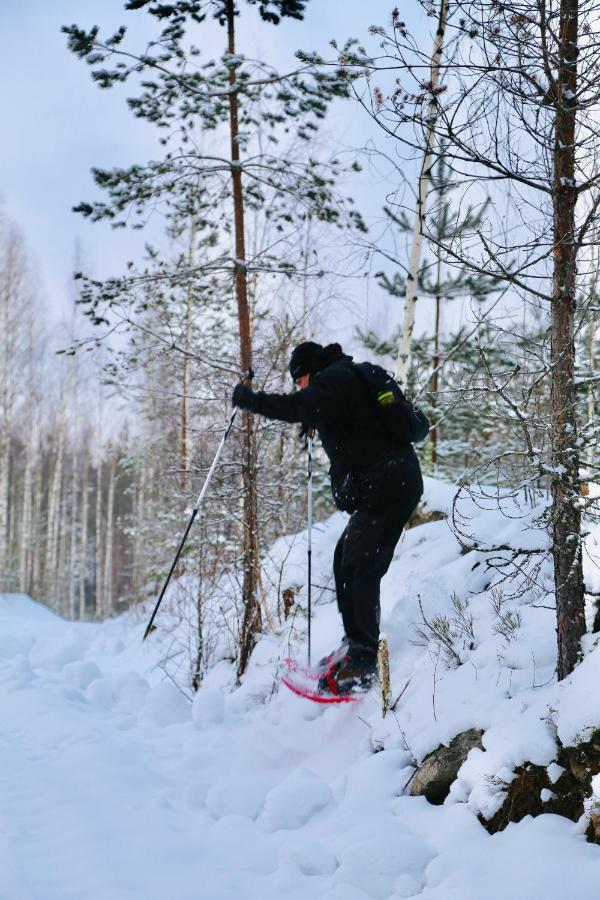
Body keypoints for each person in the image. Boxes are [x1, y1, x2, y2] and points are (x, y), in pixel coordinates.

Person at [232, 341, 425, 695]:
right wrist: (314, 415)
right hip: (386, 484)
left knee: (361, 565)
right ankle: (355, 644)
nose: (300, 388)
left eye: (299, 381)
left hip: (388, 484)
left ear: (308, 372)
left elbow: (296, 406)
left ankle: (363, 661)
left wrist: (251, 400)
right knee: (344, 561)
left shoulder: (334, 380)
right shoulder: (347, 378)